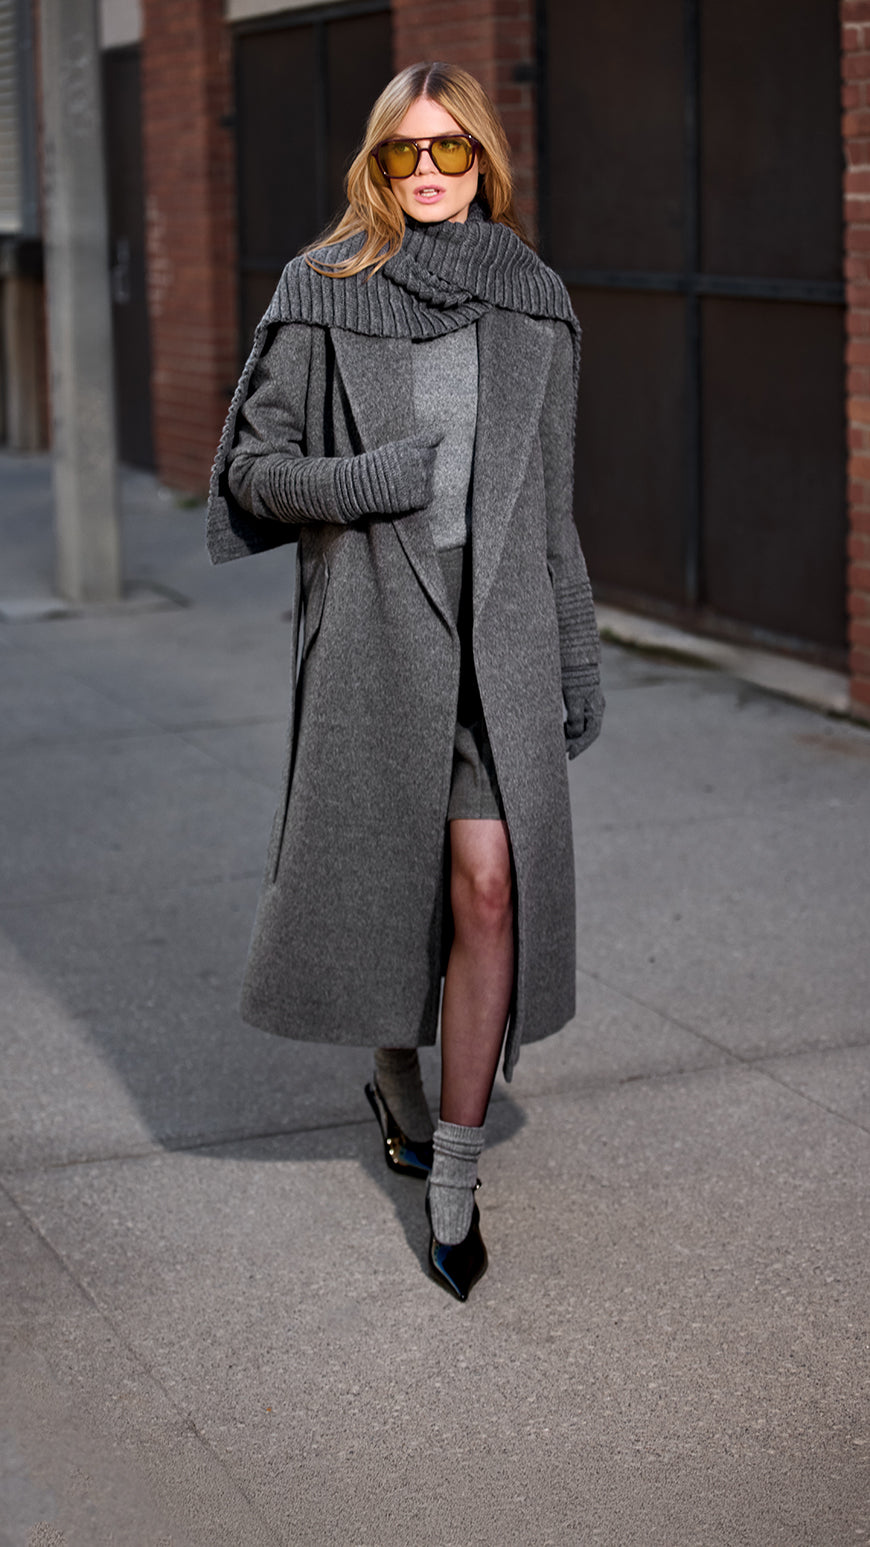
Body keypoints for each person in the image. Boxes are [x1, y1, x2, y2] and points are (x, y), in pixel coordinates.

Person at [207, 60, 604, 1301]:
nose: (426, 174)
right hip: (377, 635)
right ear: (373, 164)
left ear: (486, 161)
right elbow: (252, 474)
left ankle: (454, 1172)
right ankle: (392, 1073)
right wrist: (374, 478)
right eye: (402, 154)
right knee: (390, 873)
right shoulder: (322, 288)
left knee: (488, 888)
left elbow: (551, 504)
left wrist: (577, 652)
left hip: (503, 641)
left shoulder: (534, 301)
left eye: (450, 152)